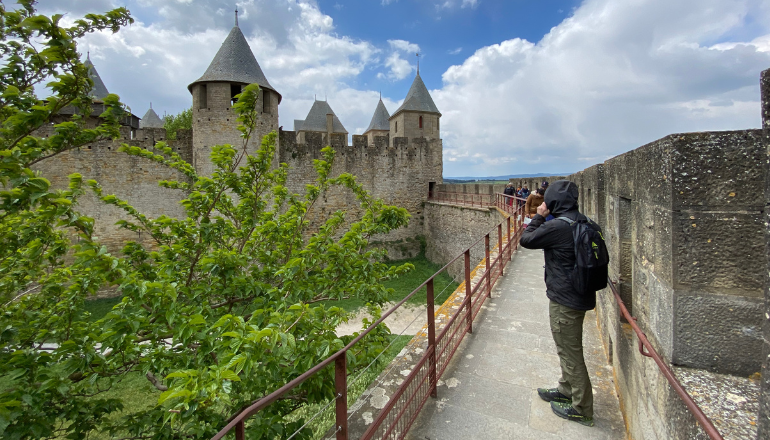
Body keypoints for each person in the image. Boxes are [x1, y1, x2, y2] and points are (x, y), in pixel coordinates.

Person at [519, 180, 601, 427]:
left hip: (565, 299)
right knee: (567, 347)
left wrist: (540, 216)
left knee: (570, 352)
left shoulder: (557, 227)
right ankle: (566, 389)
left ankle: (582, 408)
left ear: (553, 202)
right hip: (580, 294)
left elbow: (526, 239)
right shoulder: (585, 222)